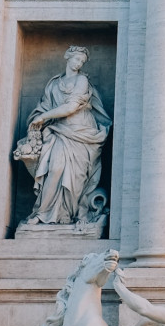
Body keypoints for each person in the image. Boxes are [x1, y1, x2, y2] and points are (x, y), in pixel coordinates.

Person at [16, 47, 111, 225]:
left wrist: (44, 117)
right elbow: (43, 106)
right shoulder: (53, 84)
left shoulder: (81, 80)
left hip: (81, 132)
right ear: (68, 58)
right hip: (59, 131)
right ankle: (42, 213)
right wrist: (39, 119)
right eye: (76, 59)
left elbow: (70, 107)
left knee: (75, 177)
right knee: (55, 169)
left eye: (82, 62)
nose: (78, 64)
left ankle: (68, 215)